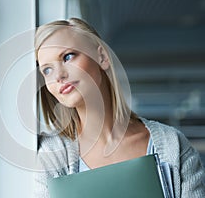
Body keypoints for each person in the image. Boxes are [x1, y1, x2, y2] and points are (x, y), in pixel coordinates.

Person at [34, 17, 205, 198]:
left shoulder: (173, 145)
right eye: (47, 70)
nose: (59, 75)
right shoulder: (52, 155)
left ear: (102, 57)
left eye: (68, 56)